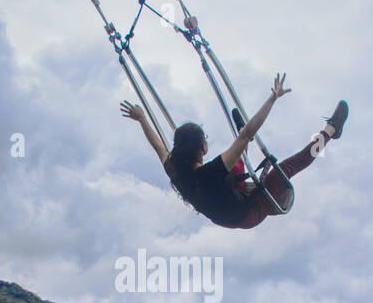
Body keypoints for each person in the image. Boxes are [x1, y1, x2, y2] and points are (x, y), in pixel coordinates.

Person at [121, 73, 348, 229]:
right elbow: (246, 135)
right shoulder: (207, 172)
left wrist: (142, 119)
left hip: (226, 200)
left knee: (235, 161)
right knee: (285, 168)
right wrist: (272, 98)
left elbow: (157, 145)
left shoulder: (176, 169)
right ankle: (331, 131)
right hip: (246, 214)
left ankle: (240, 168)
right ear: (203, 147)